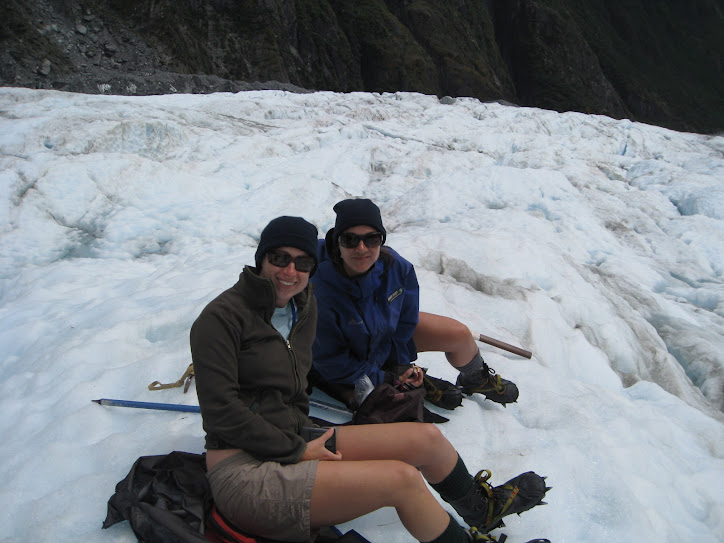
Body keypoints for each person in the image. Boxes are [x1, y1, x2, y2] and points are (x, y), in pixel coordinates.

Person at [190, 216, 549, 543]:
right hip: (244, 472)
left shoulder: (301, 307)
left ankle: (480, 511)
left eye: (302, 262)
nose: (290, 271)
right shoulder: (221, 320)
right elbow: (222, 413)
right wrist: (297, 449)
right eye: (279, 258)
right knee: (402, 482)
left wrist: (301, 436)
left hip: (291, 438)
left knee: (425, 438)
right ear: (261, 258)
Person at [310, 198, 519, 413]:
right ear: (337, 242)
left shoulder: (396, 267)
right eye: (350, 239)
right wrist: (387, 377)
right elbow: (329, 360)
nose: (361, 248)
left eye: (371, 239)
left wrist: (400, 362)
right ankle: (396, 383)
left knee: (459, 334)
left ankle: (475, 378)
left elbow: (405, 320)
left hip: (380, 339)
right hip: (347, 361)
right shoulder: (321, 289)